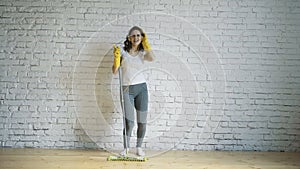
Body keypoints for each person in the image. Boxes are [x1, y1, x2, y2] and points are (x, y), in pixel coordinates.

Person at [112, 26, 155, 156]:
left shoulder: (143, 53)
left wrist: (146, 45)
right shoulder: (122, 52)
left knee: (142, 121)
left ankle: (139, 147)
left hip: (141, 89)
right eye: (133, 35)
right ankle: (126, 148)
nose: (136, 38)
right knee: (129, 122)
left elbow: (152, 58)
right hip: (126, 89)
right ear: (129, 38)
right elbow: (114, 71)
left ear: (141, 38)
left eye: (138, 35)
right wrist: (116, 58)